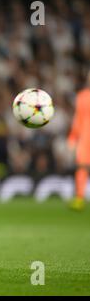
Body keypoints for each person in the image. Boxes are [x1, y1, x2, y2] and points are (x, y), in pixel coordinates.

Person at [67, 72, 90, 211]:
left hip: (85, 136)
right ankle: (79, 198)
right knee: (81, 166)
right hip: (85, 136)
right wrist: (73, 137)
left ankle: (79, 198)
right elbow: (78, 119)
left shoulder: (82, 96)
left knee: (82, 167)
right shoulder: (82, 96)